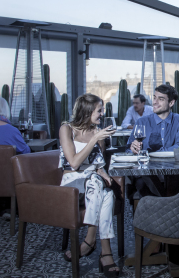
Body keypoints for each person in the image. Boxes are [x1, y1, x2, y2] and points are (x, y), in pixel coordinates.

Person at [58, 93, 119, 277]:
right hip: (72, 184)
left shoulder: (97, 133)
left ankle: (94, 246)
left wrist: (103, 172)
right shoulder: (67, 129)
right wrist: (94, 139)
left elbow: (97, 164)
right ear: (87, 111)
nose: (102, 114)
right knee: (98, 185)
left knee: (106, 191)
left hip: (92, 183)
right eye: (99, 110)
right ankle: (97, 245)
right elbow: (75, 163)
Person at [128, 84, 179, 154]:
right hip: (147, 164)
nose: (155, 102)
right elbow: (128, 149)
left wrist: (152, 153)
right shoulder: (141, 122)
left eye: (161, 99)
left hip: (172, 164)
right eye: (154, 98)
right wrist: (133, 149)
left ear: (171, 103)